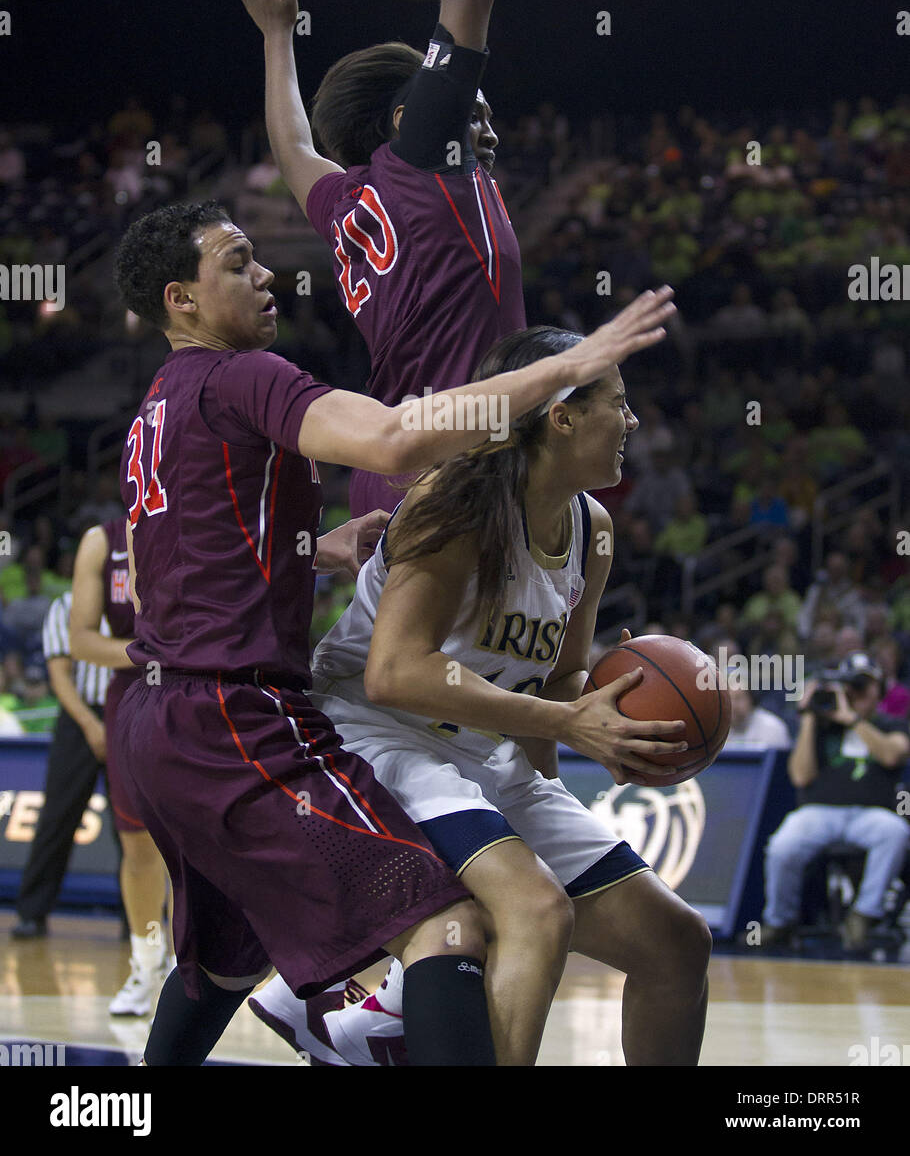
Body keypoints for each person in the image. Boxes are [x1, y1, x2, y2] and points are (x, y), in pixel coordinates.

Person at [112, 197, 676, 1066]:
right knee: (449, 927)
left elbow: (170, 571)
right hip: (234, 716)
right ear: (181, 299)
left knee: (224, 963)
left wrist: (308, 550)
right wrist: (582, 359)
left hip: (158, 719)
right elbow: (396, 437)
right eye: (237, 262)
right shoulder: (244, 375)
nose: (265, 274)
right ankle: (367, 1026)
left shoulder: (159, 402)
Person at [252, 326, 709, 1067]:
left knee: (676, 942)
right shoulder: (456, 497)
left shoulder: (592, 528)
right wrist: (564, 718)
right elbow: (394, 671)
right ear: (561, 415)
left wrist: (607, 727)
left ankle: (376, 1022)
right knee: (533, 911)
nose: (632, 422)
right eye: (617, 404)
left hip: (479, 748)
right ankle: (376, 1015)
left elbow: (559, 678)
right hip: (372, 734)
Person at [237, 0, 528, 518]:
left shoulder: (347, 199)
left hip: (390, 467)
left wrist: (277, 38)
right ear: (409, 118)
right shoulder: (425, 158)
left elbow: (293, 146)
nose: (488, 130)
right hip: (452, 465)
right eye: (476, 113)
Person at [69, 516, 171, 1017]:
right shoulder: (99, 541)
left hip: (195, 692)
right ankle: (145, 961)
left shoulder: (199, 520)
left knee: (195, 841)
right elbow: (82, 641)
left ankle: (189, 958)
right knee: (137, 845)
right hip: (130, 697)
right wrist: (147, 653)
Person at [759, 652, 910, 953]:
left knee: (895, 832)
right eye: (850, 686)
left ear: (878, 691)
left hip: (871, 814)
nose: (856, 693)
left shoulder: (891, 724)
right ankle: (780, 922)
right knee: (782, 844)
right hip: (819, 812)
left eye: (863, 686)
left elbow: (892, 755)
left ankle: (863, 916)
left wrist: (852, 719)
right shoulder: (822, 727)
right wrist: (810, 718)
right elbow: (800, 777)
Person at [9, 590, 110, 939]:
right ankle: (32, 913)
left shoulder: (141, 596)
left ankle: (140, 925)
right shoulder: (67, 604)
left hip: (130, 713)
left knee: (137, 829)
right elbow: (59, 674)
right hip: (77, 717)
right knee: (57, 817)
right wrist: (90, 724)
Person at [721, 680, 791, 751]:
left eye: (738, 699)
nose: (733, 705)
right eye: (729, 699)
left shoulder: (773, 728)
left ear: (752, 700)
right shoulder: (719, 729)